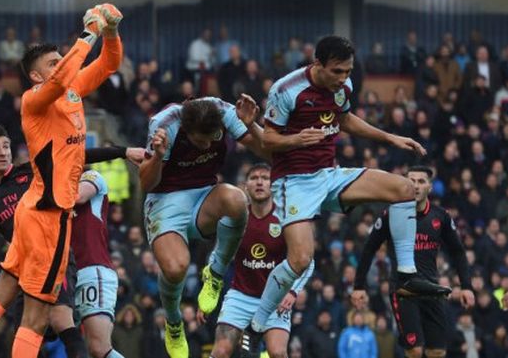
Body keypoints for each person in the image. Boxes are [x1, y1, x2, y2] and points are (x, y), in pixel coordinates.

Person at [243, 35, 450, 353]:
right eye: (337, 71)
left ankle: (406, 275)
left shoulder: (343, 87)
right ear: (318, 65)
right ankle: (257, 324)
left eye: (347, 71)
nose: (343, 78)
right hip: (293, 181)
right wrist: (298, 139)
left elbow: (344, 119)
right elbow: (268, 140)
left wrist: (391, 138)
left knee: (405, 189)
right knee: (299, 259)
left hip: (329, 175)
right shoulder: (286, 90)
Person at [0, 124, 143, 358]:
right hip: (24, 268)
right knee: (25, 335)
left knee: (60, 319)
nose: (3, 152)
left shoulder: (33, 171)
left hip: (55, 257)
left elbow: (75, 155)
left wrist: (123, 152)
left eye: (6, 146)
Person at [1, 3, 123, 358]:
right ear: (37, 77)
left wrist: (111, 32)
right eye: (52, 63)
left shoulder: (71, 91)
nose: (61, 66)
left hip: (58, 212)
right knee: (37, 314)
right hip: (47, 210)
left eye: (60, 59)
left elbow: (109, 64)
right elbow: (62, 76)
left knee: (46, 315)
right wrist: (89, 34)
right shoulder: (37, 98)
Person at [139, 93, 268, 358]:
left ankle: (216, 273)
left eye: (213, 138)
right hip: (165, 199)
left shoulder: (224, 112)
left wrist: (253, 125)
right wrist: (158, 156)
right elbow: (145, 184)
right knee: (175, 269)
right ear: (186, 130)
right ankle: (174, 322)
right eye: (201, 140)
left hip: (203, 196)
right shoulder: (164, 124)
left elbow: (266, 152)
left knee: (236, 199)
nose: (208, 144)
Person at [352, 166, 476, 358]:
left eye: (421, 181)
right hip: (403, 291)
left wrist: (466, 286)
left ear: (430, 187)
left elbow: (458, 252)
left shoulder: (440, 216)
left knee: (437, 352)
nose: (416, 186)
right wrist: (359, 285)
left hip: (431, 289)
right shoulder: (391, 214)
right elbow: (369, 249)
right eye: (411, 181)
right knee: (415, 350)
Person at [206, 163, 313, 358]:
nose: (260, 182)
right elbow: (218, 254)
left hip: (276, 299)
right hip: (240, 296)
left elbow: (307, 260)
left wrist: (292, 291)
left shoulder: (287, 218)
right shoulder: (237, 218)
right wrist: (207, 296)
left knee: (277, 352)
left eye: (265, 178)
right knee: (221, 351)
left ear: (273, 185)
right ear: (245, 186)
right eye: (254, 178)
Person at [71, 169, 125, 358]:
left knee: (99, 348)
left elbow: (78, 197)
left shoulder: (91, 177)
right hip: (67, 277)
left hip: (93, 270)